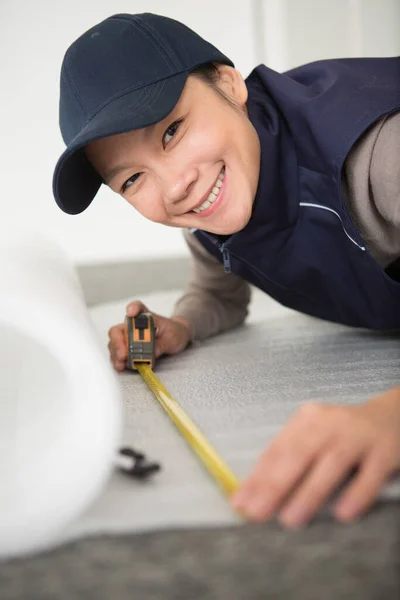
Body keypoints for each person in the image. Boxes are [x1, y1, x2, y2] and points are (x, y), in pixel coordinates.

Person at [52, 12, 400, 529]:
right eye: (131, 180)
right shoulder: (207, 218)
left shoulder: (381, 155)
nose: (174, 187)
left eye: (172, 131)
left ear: (230, 83)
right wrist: (181, 326)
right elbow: (219, 294)